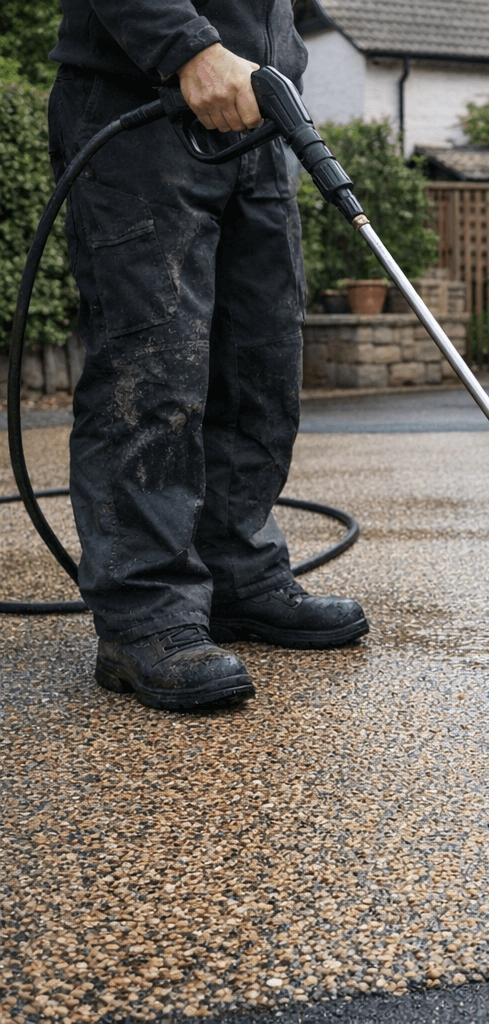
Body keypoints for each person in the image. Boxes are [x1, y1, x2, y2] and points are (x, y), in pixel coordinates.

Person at [48, 0, 368, 712]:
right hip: (140, 99)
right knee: (153, 367)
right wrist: (187, 47)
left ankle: (238, 575)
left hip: (256, 116)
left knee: (261, 359)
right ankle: (144, 614)